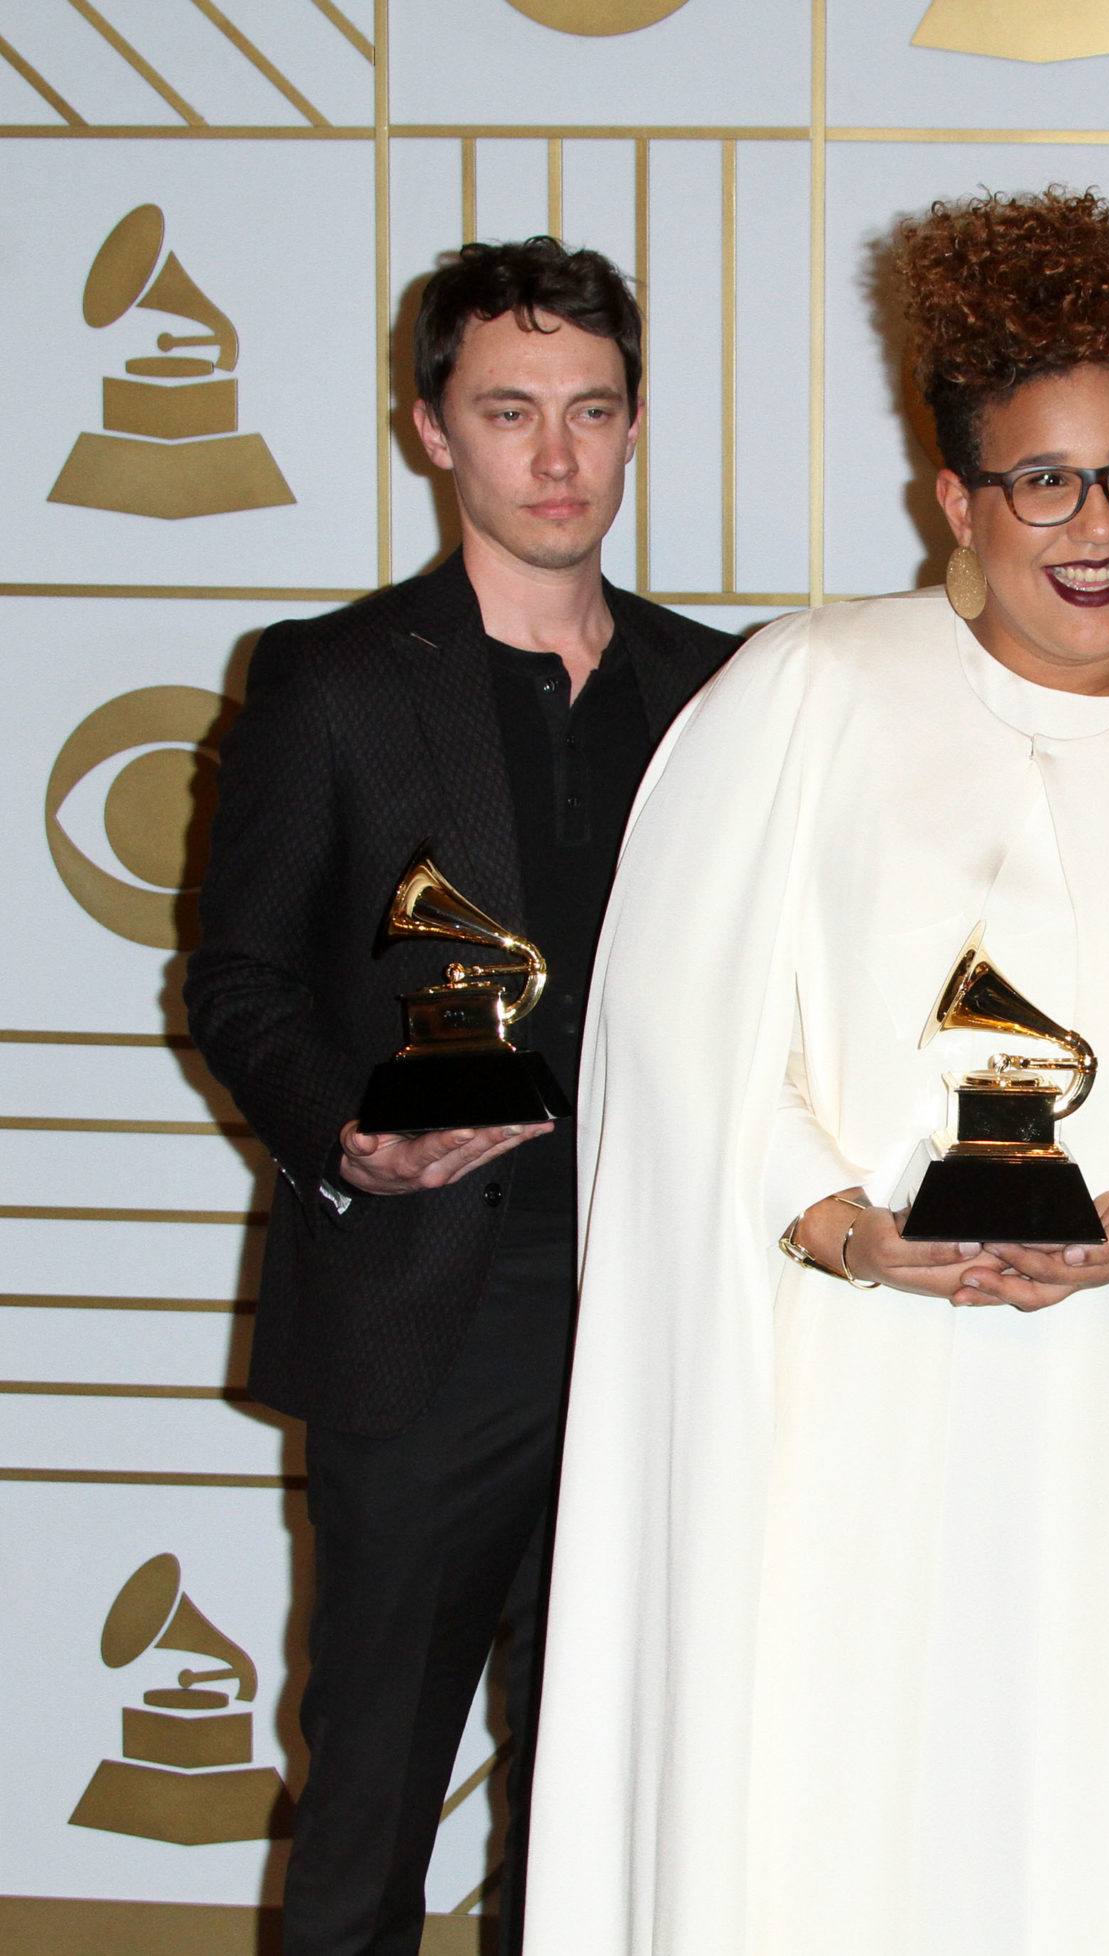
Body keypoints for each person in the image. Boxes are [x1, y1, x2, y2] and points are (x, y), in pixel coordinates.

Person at [524, 189, 1109, 1956]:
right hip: (853, 1424)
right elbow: (689, 1047)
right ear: (954, 499)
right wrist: (845, 1228)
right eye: (1042, 480)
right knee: (850, 1829)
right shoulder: (801, 700)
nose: (1095, 528)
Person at [185, 238, 732, 1956]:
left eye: (590, 412)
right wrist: (349, 1131)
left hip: (661, 1320)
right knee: (371, 1799)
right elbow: (238, 980)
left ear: (638, 423)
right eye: (510, 413)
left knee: (602, 1805)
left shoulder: (724, 694)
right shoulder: (333, 683)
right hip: (429, 1312)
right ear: (432, 430)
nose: (556, 459)